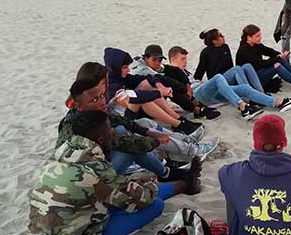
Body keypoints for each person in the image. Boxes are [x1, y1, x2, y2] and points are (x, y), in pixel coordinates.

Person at [29, 110, 202, 235]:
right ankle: (185, 184)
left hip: (53, 232)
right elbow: (141, 200)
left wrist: (135, 186)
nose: (113, 136)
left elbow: (108, 190)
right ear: (101, 139)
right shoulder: (94, 167)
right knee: (155, 205)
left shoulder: (63, 152)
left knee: (126, 194)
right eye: (111, 134)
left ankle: (184, 184)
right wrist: (149, 185)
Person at [71, 62, 219, 165]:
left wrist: (151, 133)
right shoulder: (87, 110)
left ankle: (184, 140)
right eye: (104, 83)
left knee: (144, 123)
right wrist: (156, 139)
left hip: (115, 139)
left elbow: (121, 120)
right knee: (136, 129)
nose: (105, 88)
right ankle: (191, 149)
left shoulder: (98, 99)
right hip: (107, 157)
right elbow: (119, 138)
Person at [167, 46, 291, 119]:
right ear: (173, 59)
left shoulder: (184, 71)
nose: (185, 62)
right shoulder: (170, 72)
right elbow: (175, 94)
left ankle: (279, 103)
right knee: (218, 77)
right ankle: (243, 107)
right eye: (182, 59)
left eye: (185, 59)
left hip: (206, 91)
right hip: (197, 96)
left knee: (244, 87)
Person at [103, 47, 203, 137]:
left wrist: (159, 86)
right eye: (125, 67)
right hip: (123, 118)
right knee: (141, 99)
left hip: (133, 110)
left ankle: (179, 119)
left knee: (147, 84)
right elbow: (134, 97)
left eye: (159, 60)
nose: (128, 70)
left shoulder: (121, 77)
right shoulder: (111, 84)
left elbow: (149, 78)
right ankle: (178, 123)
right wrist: (159, 93)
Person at [131, 44, 220, 120]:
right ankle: (196, 110)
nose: (157, 63)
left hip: (155, 99)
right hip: (142, 107)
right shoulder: (140, 69)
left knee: (171, 73)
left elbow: (176, 70)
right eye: (154, 59)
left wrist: (187, 86)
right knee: (169, 86)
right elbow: (162, 80)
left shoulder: (153, 64)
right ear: (146, 58)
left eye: (160, 60)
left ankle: (198, 105)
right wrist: (184, 89)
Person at [236, 24, 291, 93]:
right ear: (249, 38)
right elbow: (260, 64)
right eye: (257, 36)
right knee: (277, 65)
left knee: (279, 58)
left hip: (258, 71)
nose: (260, 38)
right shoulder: (244, 49)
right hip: (252, 79)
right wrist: (278, 58)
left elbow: (268, 51)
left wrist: (280, 55)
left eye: (260, 35)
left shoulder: (255, 44)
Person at [194, 29, 266, 92]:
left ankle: (260, 92)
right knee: (237, 69)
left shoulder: (225, 47)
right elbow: (200, 69)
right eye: (221, 36)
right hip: (218, 80)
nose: (223, 36)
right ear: (215, 41)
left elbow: (230, 65)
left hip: (229, 76)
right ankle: (250, 93)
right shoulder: (206, 52)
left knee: (247, 66)